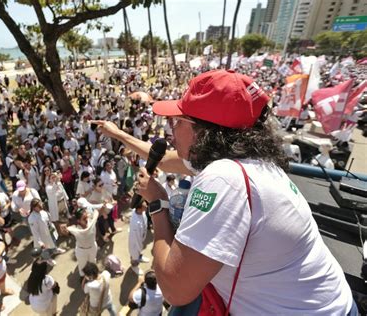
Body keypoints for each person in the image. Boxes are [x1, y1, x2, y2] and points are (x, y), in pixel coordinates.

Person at [95, 70, 355, 314]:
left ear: (203, 131)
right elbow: (162, 160)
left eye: (177, 120)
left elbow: (175, 290)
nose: (170, 128)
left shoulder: (224, 178)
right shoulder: (246, 160)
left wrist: (158, 205)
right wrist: (118, 134)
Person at [63, 200, 100, 278]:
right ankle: (84, 278)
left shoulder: (91, 221)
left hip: (92, 247)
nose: (86, 219)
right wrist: (64, 229)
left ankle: (94, 275)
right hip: (81, 251)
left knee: (93, 262)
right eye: (84, 218)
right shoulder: (75, 229)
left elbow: (96, 211)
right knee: (82, 266)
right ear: (78, 221)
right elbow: (66, 231)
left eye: (86, 217)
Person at [28, 198, 66, 265]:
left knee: (53, 241)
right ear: (33, 208)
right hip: (42, 236)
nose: (41, 206)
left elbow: (49, 220)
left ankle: (55, 250)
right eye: (38, 206)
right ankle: (48, 259)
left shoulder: (43, 212)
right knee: (44, 249)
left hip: (50, 231)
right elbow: (35, 232)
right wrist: (40, 242)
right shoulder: (32, 218)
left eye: (40, 204)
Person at [128, 200, 149, 276]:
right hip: (135, 242)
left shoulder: (140, 212)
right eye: (144, 205)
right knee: (135, 254)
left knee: (139, 250)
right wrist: (140, 245)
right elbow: (136, 239)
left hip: (140, 238)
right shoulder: (135, 223)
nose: (146, 205)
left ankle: (139, 257)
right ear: (139, 208)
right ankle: (134, 266)